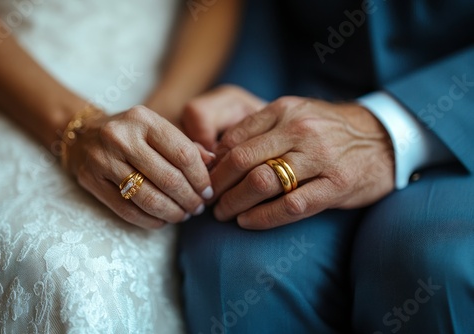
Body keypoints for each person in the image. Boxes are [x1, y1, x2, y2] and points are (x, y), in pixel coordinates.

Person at [179, 0, 474, 333]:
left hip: (461, 108)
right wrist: (245, 106)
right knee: (237, 268)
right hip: (307, 82)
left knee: (435, 265)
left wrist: (383, 130)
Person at [0, 0, 240, 332]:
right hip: (8, 74)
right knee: (66, 272)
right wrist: (74, 129)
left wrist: (166, 112)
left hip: (163, 65)